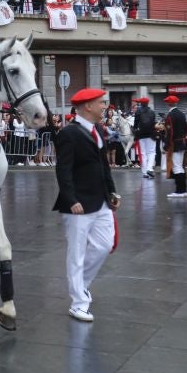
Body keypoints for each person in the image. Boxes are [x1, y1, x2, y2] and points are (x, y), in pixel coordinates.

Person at [53, 88, 119, 322]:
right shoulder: (68, 133)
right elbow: (63, 169)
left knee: (105, 245)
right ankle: (79, 303)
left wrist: (112, 191)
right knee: (77, 254)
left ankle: (81, 286)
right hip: (79, 204)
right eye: (101, 103)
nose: (105, 106)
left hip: (101, 200)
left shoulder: (97, 129)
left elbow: (103, 165)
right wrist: (71, 200)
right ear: (88, 106)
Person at [163, 95, 187, 197]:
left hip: (175, 144)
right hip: (182, 142)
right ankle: (183, 190)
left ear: (168, 104)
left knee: (177, 167)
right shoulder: (182, 114)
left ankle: (180, 191)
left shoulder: (170, 115)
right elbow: (185, 129)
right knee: (180, 167)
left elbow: (170, 132)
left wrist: (166, 145)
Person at [133, 97, 156, 178]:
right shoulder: (152, 112)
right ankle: (150, 169)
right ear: (147, 103)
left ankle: (145, 172)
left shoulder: (138, 111)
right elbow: (153, 123)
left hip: (141, 135)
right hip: (151, 134)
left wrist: (135, 131)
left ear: (141, 103)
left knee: (143, 153)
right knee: (151, 152)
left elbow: (135, 124)